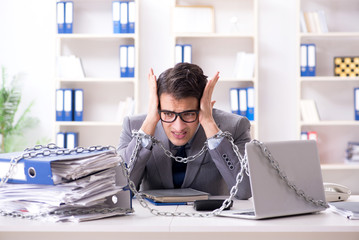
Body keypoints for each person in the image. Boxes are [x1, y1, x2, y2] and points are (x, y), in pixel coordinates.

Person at [118, 63, 252, 199]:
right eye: (169, 114)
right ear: (158, 106)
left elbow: (244, 190)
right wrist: (148, 125)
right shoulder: (134, 126)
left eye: (188, 114)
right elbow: (120, 191)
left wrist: (208, 124)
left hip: (210, 218)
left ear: (202, 105)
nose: (179, 127)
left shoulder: (235, 127)